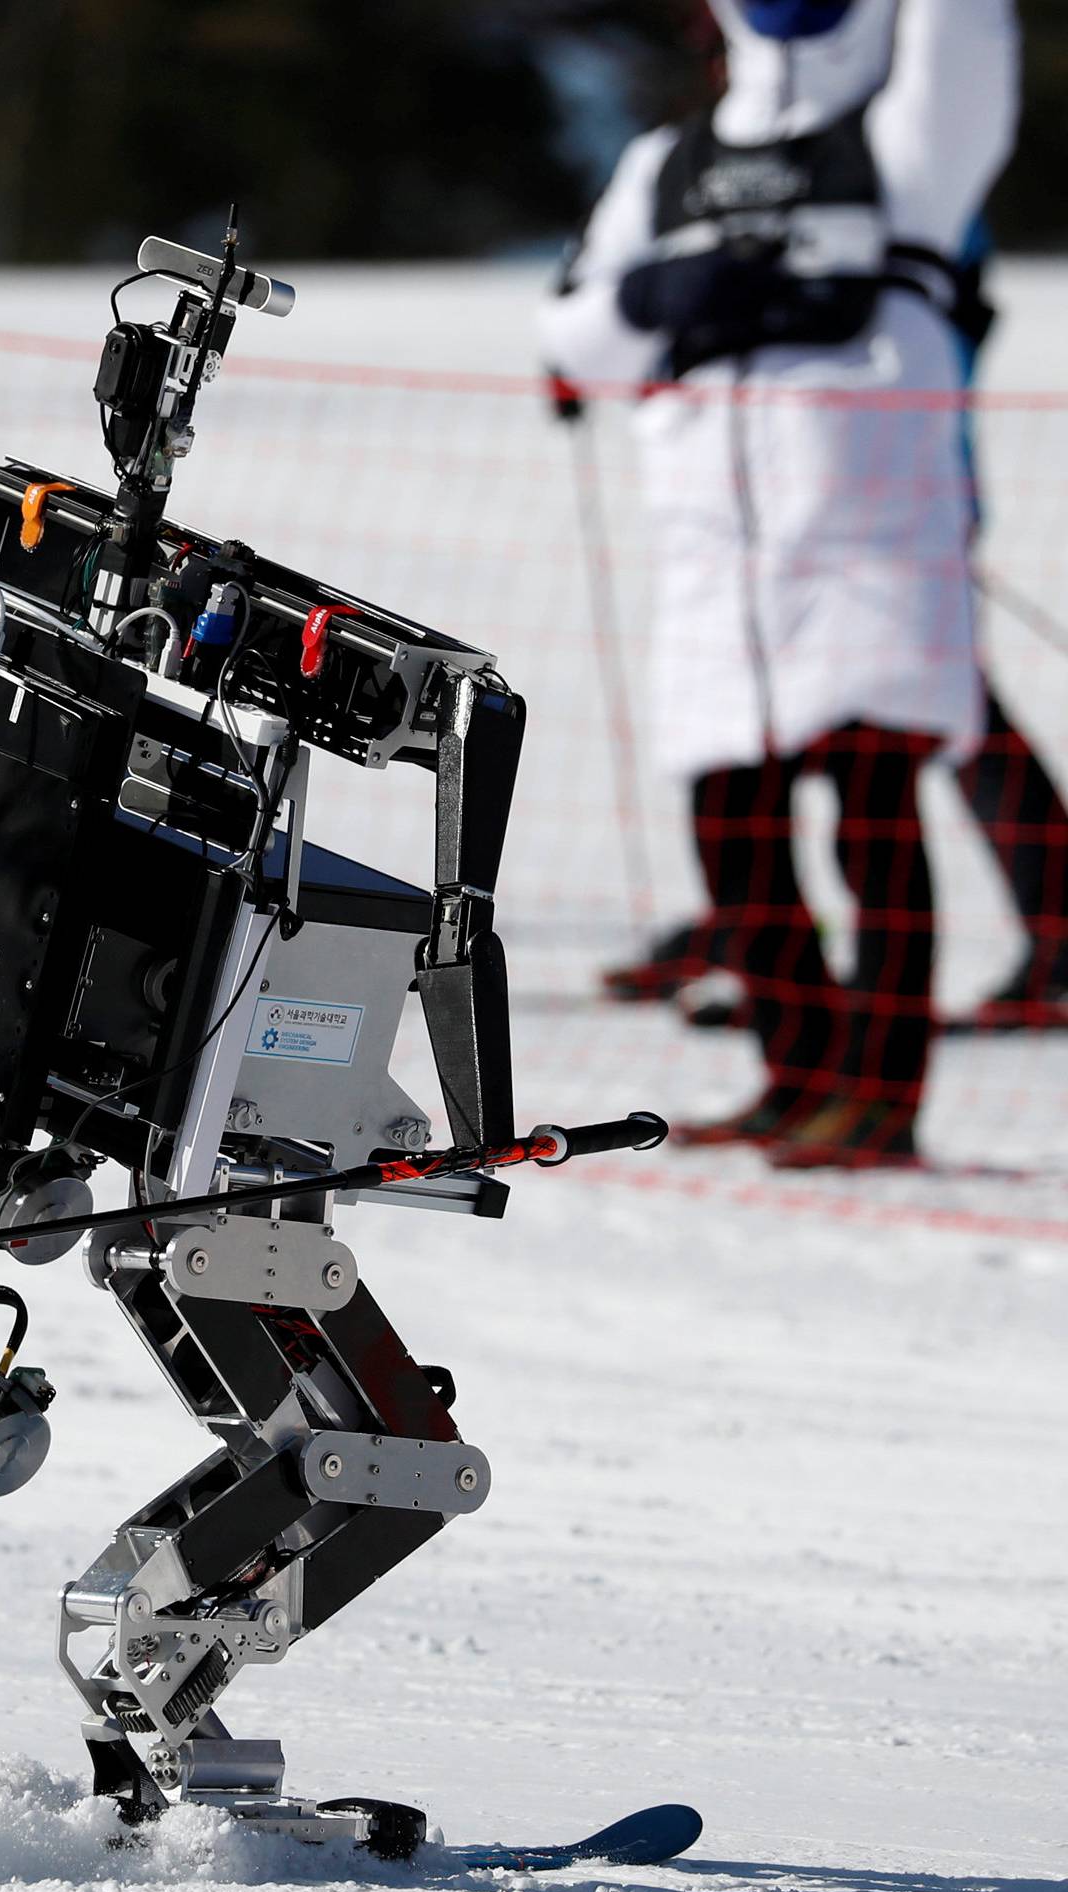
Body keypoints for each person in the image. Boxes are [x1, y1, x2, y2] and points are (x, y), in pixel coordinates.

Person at [542, 0, 1021, 1166]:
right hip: (716, 551)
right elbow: (574, 339)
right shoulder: (666, 165)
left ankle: (881, 1097)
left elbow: (967, 41)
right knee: (732, 824)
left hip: (870, 543)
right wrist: (658, 301)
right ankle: (796, 1074)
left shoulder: (903, 142)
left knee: (874, 819)